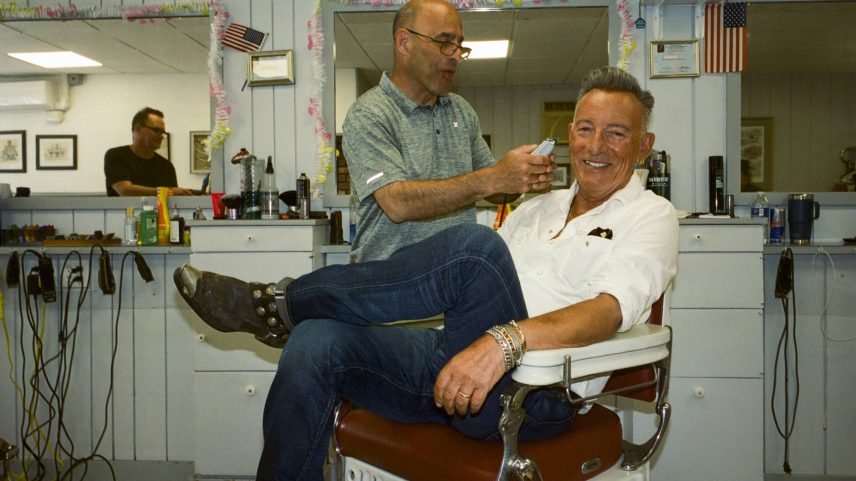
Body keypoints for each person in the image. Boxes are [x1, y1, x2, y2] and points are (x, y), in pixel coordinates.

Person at [174, 66, 679, 481]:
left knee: (477, 251)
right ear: (569, 134)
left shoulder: (651, 216)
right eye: (586, 128)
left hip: (538, 391)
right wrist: (481, 340)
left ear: (642, 145)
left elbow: (608, 311)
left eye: (617, 134)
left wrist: (505, 341)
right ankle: (290, 313)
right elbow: (472, 294)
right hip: (461, 358)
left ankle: (276, 304)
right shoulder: (536, 208)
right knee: (315, 343)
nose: (597, 145)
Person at [343, 0, 555, 261]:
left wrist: (522, 175)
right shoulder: (369, 114)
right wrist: (493, 178)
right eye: (444, 42)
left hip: (455, 278)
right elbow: (396, 203)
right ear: (404, 42)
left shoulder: (461, 111)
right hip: (392, 283)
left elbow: (494, 189)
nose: (455, 55)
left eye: (459, 46)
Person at [104, 107, 194, 196]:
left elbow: (172, 199)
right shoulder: (116, 156)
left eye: (162, 132)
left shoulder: (166, 166)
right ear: (138, 129)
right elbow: (125, 190)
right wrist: (167, 191)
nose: (161, 136)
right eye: (156, 130)